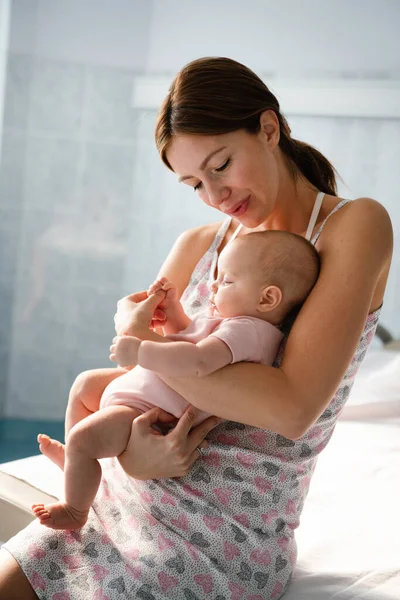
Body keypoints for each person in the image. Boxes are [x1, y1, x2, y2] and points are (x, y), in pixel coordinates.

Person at [0, 56, 392, 600]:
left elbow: (289, 408)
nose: (215, 196)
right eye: (194, 183)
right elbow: (132, 371)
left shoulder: (354, 226)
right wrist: (136, 456)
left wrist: (146, 347)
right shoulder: (198, 245)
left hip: (219, 541)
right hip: (116, 500)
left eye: (222, 165)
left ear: (269, 128)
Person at [31, 229, 320, 531]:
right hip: (143, 393)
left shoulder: (249, 331)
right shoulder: (233, 325)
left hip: (146, 413)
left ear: (267, 298)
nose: (213, 286)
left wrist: (140, 347)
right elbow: (188, 339)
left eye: (227, 281)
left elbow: (196, 361)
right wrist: (173, 315)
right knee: (84, 385)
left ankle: (76, 509)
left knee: (83, 439)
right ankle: (75, 465)